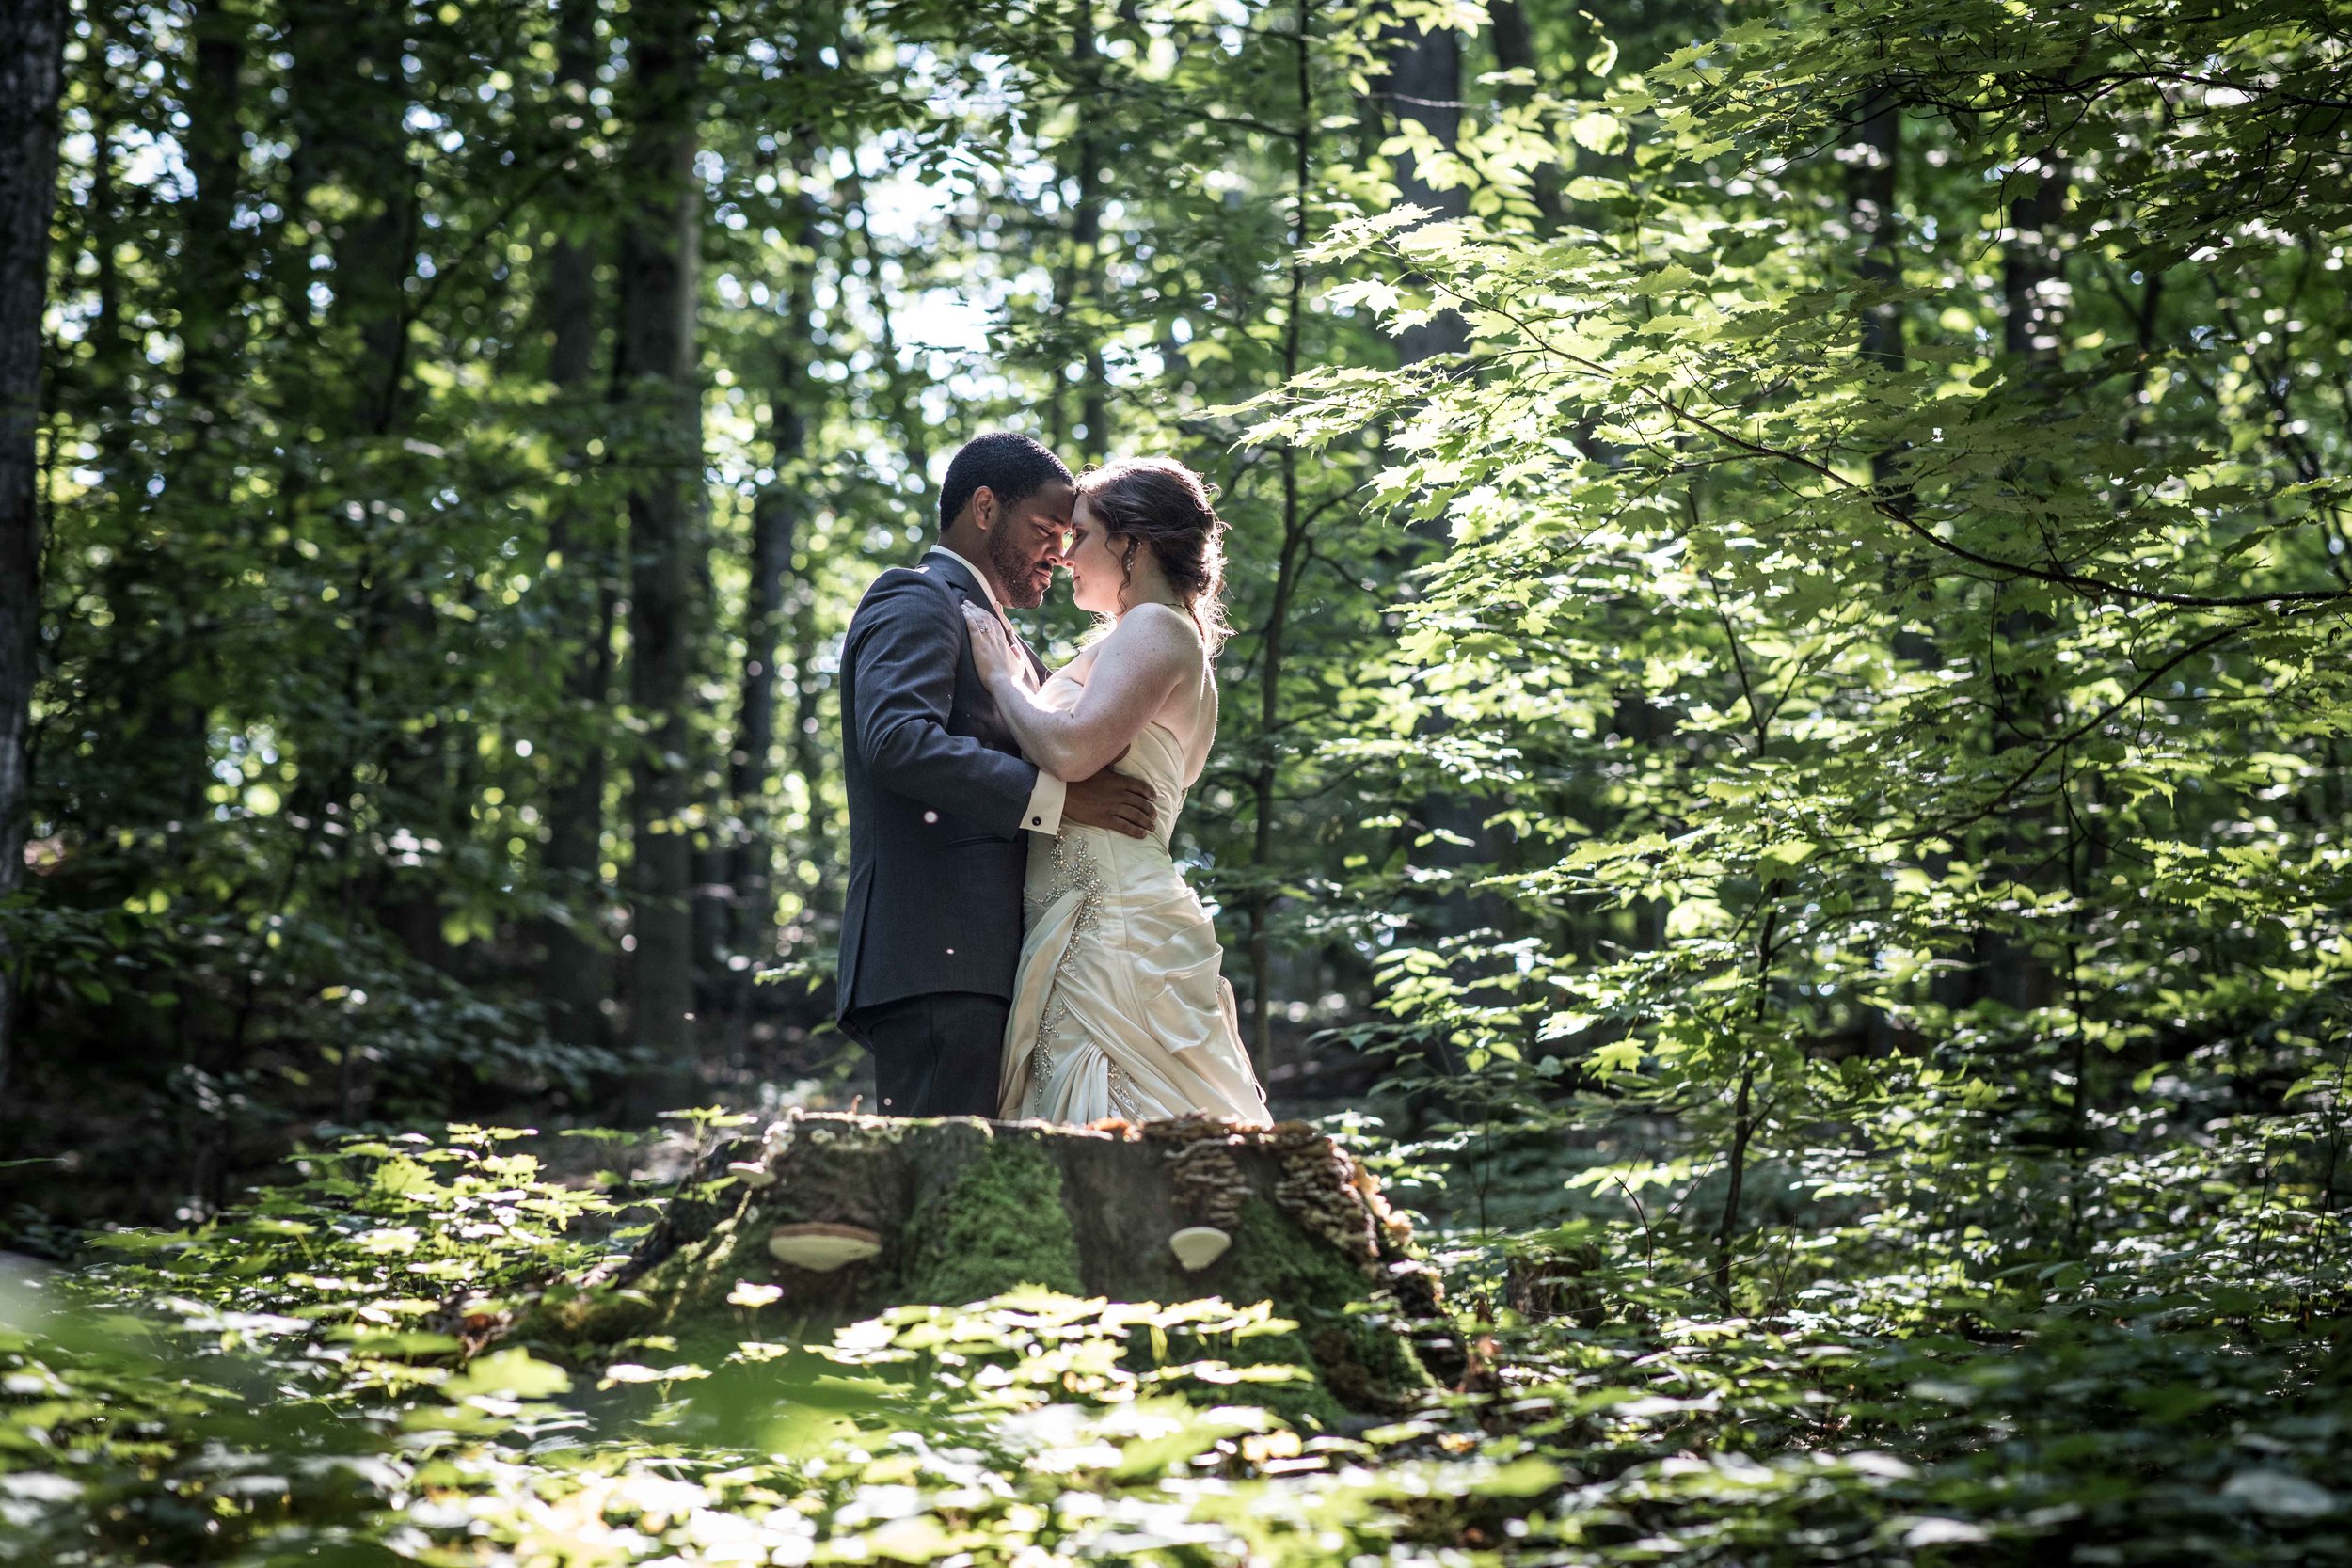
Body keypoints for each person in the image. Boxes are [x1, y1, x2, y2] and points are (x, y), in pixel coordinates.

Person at [835, 432, 1159, 1117]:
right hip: (939, 960)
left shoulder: (1005, 639)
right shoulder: (917, 599)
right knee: (943, 1190)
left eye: (1072, 538)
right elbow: (896, 742)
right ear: (985, 508)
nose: (1061, 554)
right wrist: (1062, 801)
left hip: (996, 963)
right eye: (1047, 530)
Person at [961, 456, 1271, 1124]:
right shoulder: (1142, 636)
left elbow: (1070, 749)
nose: (1067, 555)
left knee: (1115, 1124)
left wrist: (1000, 679)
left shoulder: (1156, 627)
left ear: (1133, 544)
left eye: (1083, 535)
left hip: (1114, 930)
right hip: (1083, 919)